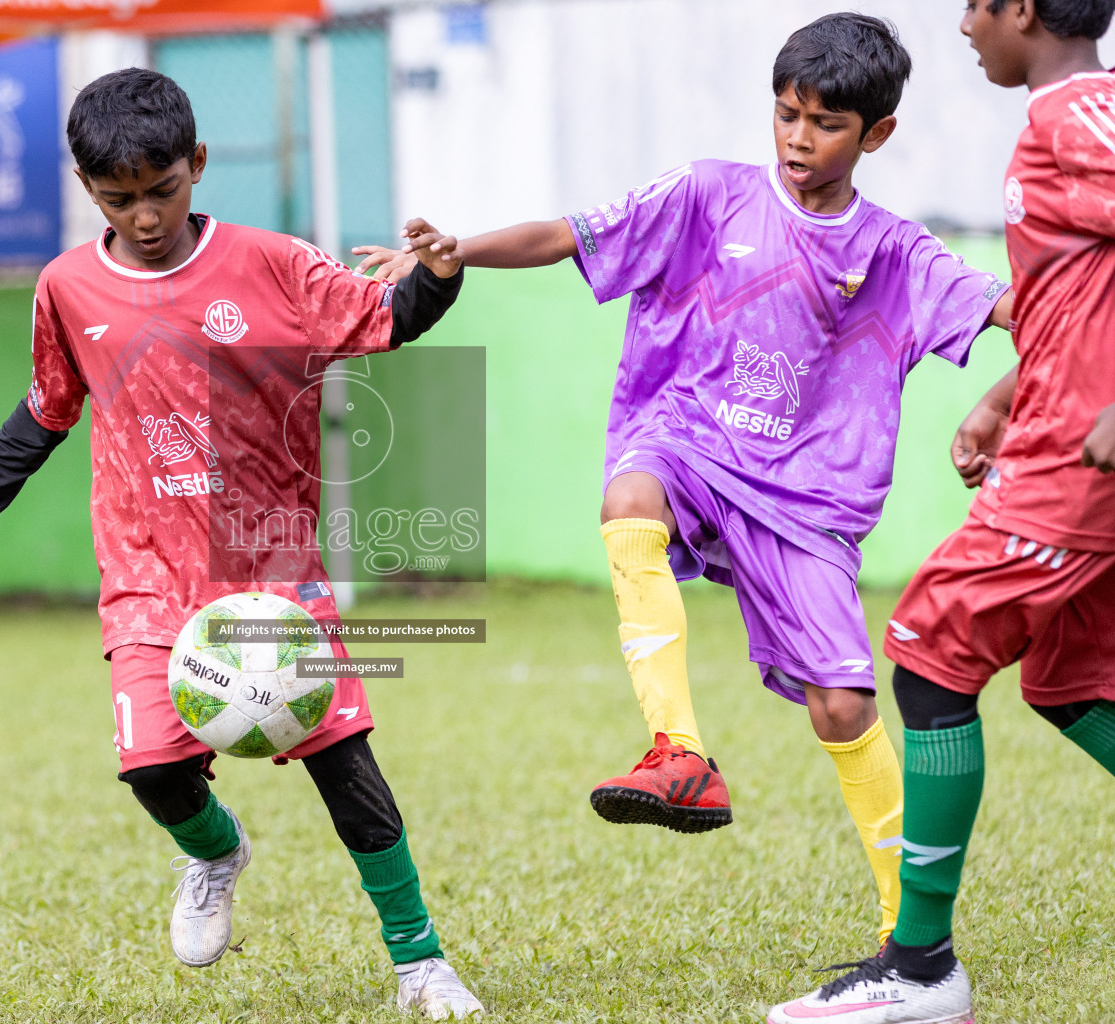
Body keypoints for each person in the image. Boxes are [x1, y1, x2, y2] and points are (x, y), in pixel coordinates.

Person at [359, 13, 1014, 954]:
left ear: (877, 135)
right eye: (786, 113)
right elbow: (570, 232)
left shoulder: (898, 254)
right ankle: (681, 753)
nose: (797, 136)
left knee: (845, 706)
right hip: (693, 444)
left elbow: (1011, 310)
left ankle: (909, 937)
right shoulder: (709, 195)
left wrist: (1049, 334)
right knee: (632, 497)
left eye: (826, 123)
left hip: (807, 504)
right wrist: (461, 248)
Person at [0, 69, 483, 1018]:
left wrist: (441, 275)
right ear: (87, 188)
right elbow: (44, 414)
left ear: (197, 165)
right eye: (117, 198)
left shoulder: (272, 264)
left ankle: (422, 962)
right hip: (147, 579)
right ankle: (214, 852)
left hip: (275, 572)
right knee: (153, 770)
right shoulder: (65, 287)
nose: (142, 216)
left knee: (346, 769)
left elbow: (387, 319)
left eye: (160, 190)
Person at [771, 2, 1115, 1021]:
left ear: (1020, 8)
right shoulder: (1060, 117)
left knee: (929, 647)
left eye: (977, 3)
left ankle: (920, 967)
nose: (964, 24)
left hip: (1080, 464)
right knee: (1066, 679)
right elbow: (1083, 297)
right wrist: (1008, 396)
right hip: (1057, 433)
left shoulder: (1078, 117)